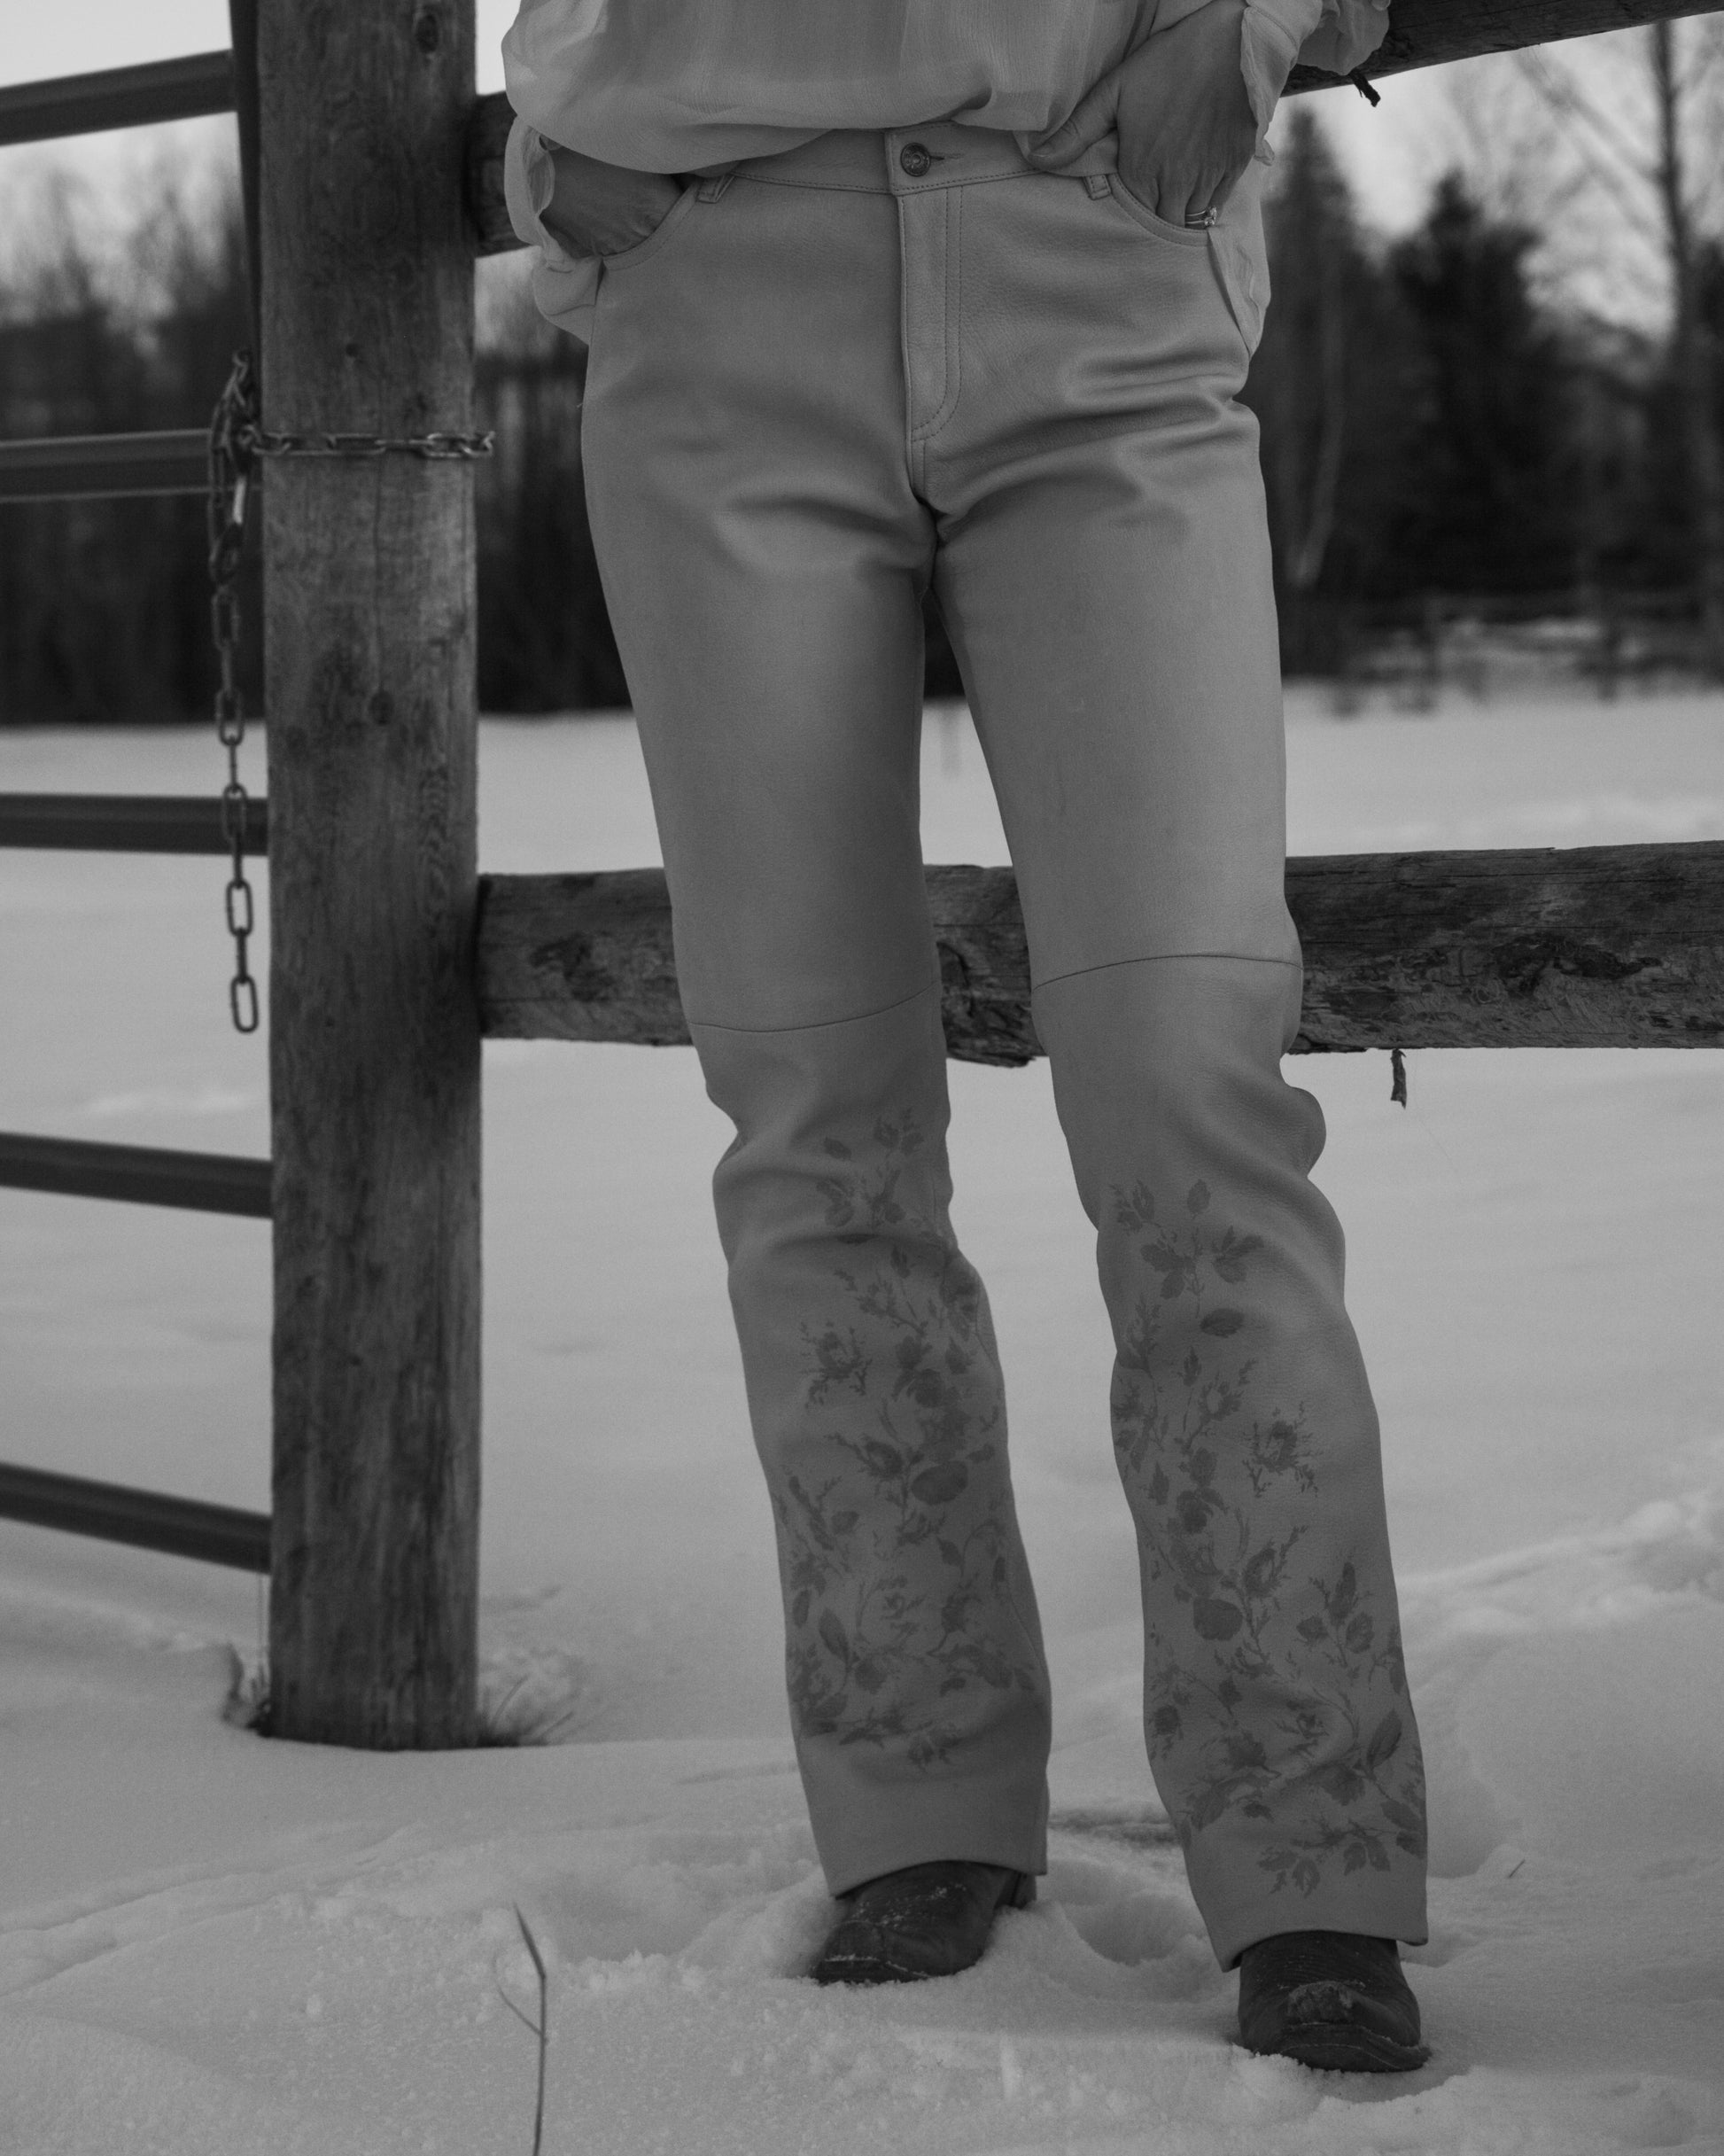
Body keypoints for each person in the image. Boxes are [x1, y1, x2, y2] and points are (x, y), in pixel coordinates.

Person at [501, 0, 1432, 2074]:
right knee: (812, 1109)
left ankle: (1314, 1850)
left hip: (1091, 250)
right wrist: (551, 161)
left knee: (1191, 1087)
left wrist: (1259, 19)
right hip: (711, 292)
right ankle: (914, 1792)